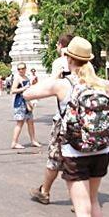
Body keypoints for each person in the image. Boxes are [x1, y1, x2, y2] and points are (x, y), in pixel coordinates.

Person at [23, 36, 109, 217]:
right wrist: (100, 81)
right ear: (89, 60)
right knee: (94, 203)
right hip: (101, 150)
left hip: (75, 153)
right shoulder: (100, 83)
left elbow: (27, 93)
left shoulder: (63, 85)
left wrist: (56, 74)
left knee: (82, 210)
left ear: (68, 59)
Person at [30, 33, 73, 205]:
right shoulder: (86, 64)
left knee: (55, 157)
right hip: (83, 117)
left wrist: (33, 96)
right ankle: (82, 199)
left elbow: (51, 83)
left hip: (64, 118)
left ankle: (45, 192)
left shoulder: (60, 62)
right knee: (76, 158)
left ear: (61, 46)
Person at [10, 62, 41, 149]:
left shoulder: (27, 77)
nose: (21, 70)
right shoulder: (17, 78)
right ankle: (14, 142)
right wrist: (23, 88)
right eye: (19, 69)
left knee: (30, 122)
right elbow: (12, 90)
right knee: (20, 123)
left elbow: (32, 86)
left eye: (22, 68)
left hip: (28, 102)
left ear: (25, 68)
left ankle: (33, 140)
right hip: (20, 102)